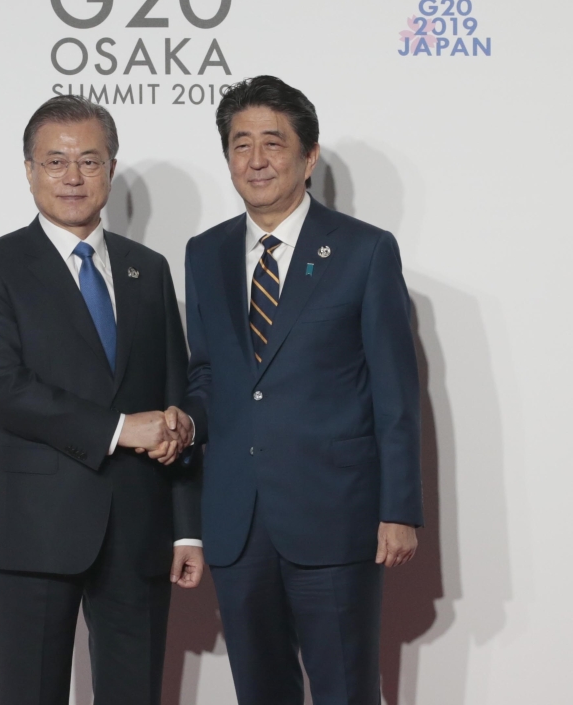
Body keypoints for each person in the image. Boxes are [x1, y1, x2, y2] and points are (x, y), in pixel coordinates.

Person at [179, 76, 423, 705]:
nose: (255, 160)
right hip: (238, 519)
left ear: (308, 156)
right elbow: (205, 372)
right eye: (240, 145)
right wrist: (185, 423)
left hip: (336, 515)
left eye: (272, 143)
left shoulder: (364, 251)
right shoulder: (204, 254)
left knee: (346, 691)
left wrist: (398, 509)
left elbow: (395, 391)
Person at [0, 95, 204, 705]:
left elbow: (174, 395)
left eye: (89, 161)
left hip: (139, 531)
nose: (73, 177)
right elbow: (6, 389)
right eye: (55, 161)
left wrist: (186, 531)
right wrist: (122, 428)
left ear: (112, 168)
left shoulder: (149, 270)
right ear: (29, 169)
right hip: (35, 529)